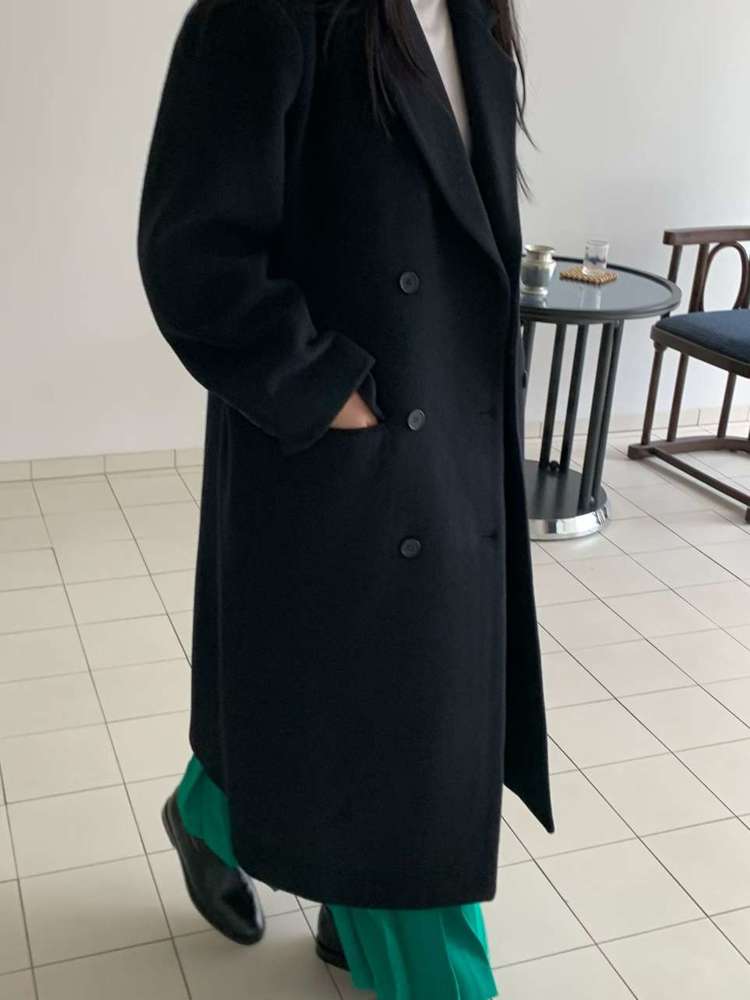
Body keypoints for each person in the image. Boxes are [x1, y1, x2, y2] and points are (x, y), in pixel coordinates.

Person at [137, 0, 555, 996]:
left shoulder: (477, 17)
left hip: (451, 436)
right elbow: (192, 250)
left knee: (407, 720)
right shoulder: (269, 13)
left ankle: (214, 810)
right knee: (400, 762)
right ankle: (375, 898)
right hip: (343, 446)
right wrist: (326, 392)